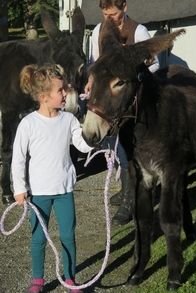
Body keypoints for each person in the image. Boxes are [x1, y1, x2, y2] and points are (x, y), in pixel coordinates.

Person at [11, 63, 92, 293]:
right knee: (38, 238)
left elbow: (82, 144)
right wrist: (19, 188)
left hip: (65, 189)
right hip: (38, 194)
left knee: (68, 235)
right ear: (45, 97)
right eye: (61, 91)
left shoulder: (69, 120)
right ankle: (38, 279)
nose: (65, 93)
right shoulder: (29, 124)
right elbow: (18, 158)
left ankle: (70, 278)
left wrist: (96, 136)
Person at [84, 0, 159, 225]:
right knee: (115, 146)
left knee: (130, 148)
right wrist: (91, 80)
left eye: (114, 14)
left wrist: (131, 69)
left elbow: (154, 64)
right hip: (108, 99)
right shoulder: (98, 31)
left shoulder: (139, 31)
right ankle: (127, 188)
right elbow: (94, 64)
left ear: (124, 7)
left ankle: (129, 201)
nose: (110, 18)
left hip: (132, 100)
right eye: (106, 14)